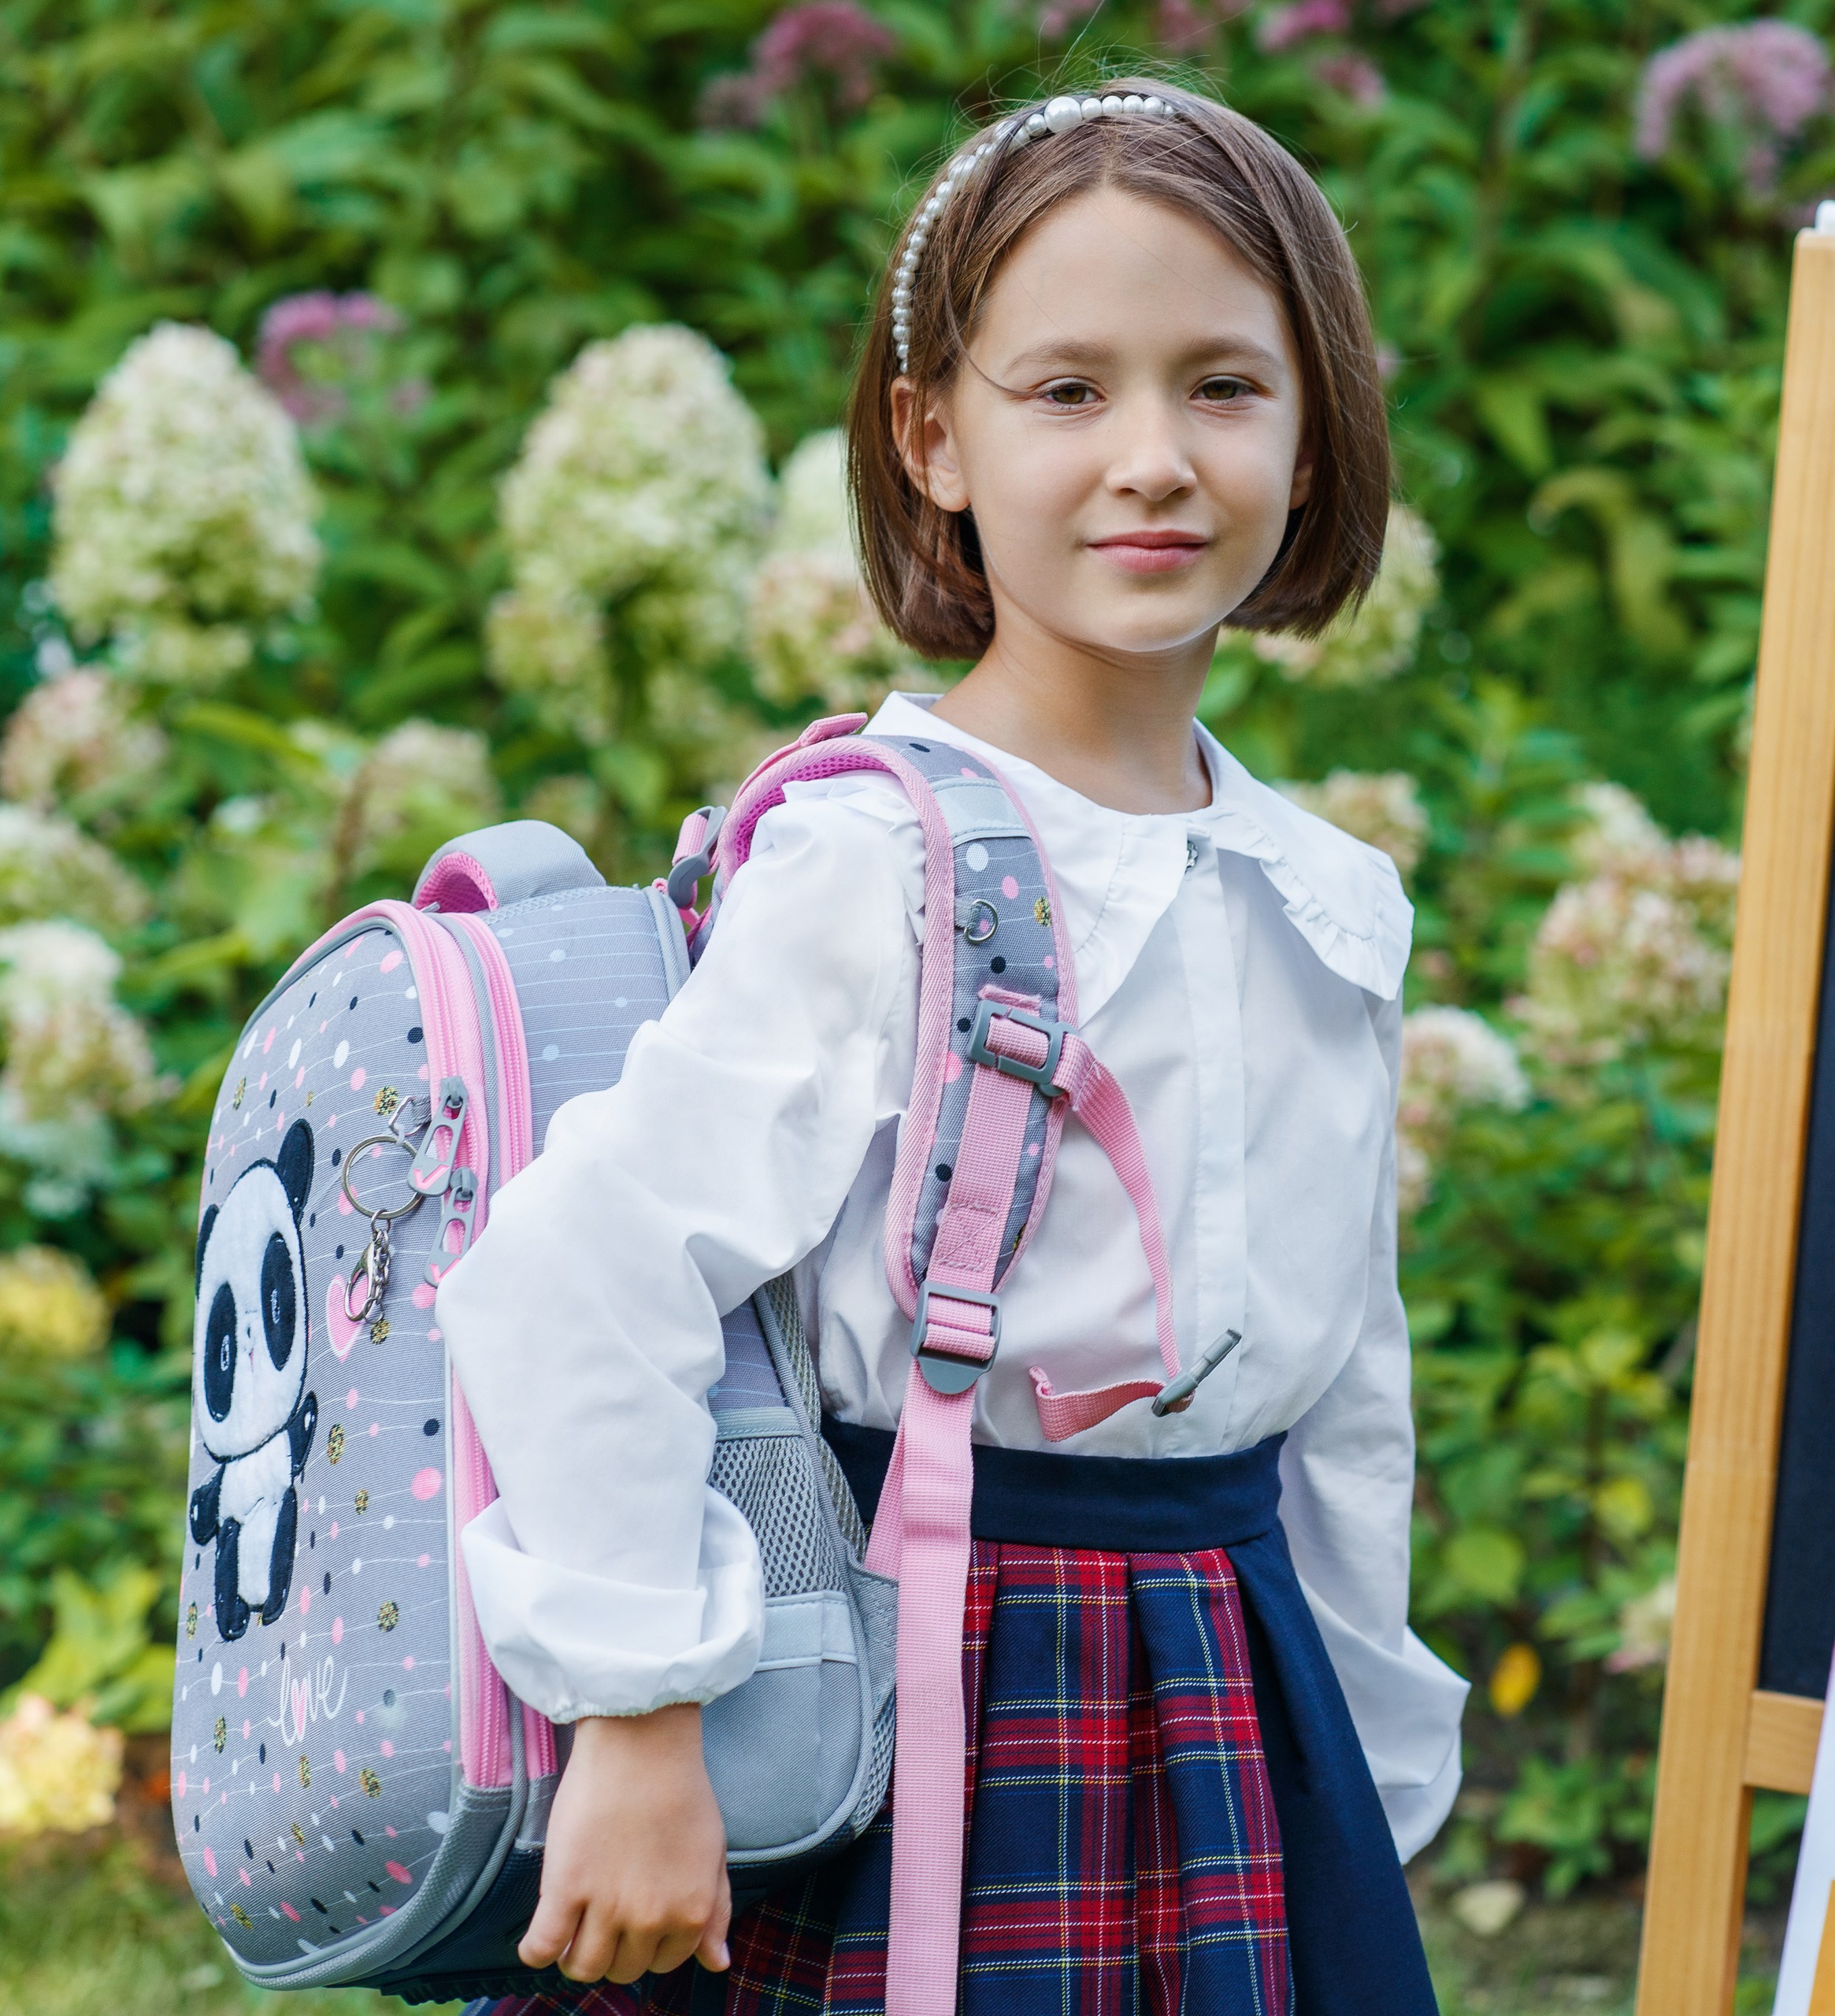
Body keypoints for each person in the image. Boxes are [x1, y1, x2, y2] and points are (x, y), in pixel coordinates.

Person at [444, 76, 1467, 2016]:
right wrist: (640, 1713)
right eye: (1066, 390)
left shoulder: (1322, 896)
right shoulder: (877, 861)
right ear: (933, 439)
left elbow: (1344, 1381)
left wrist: (1354, 1750)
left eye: (1222, 387)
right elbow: (584, 1265)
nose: (1151, 457)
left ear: (1314, 429)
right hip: (921, 1684)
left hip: (1218, 1680)